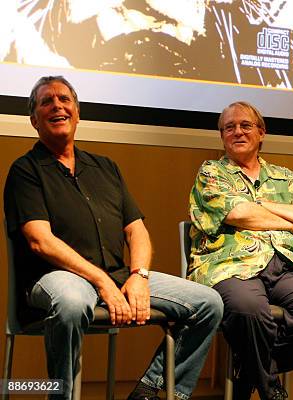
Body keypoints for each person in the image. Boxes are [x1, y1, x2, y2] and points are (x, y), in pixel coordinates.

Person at [3, 76, 224, 400]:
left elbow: (136, 230)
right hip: (56, 278)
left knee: (208, 303)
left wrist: (139, 276)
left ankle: (150, 391)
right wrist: (102, 282)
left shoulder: (105, 167)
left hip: (120, 276)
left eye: (64, 99)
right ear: (34, 120)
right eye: (46, 102)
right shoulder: (25, 170)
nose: (57, 106)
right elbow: (40, 241)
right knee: (72, 302)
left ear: (77, 113)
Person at [188, 101, 293, 400]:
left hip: (286, 264)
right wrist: (289, 223)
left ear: (261, 133)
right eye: (229, 127)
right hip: (230, 264)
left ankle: (251, 367)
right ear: (222, 136)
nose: (237, 132)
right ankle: (270, 387)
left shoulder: (285, 177)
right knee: (248, 309)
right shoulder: (211, 173)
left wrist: (264, 204)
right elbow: (239, 214)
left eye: (245, 125)